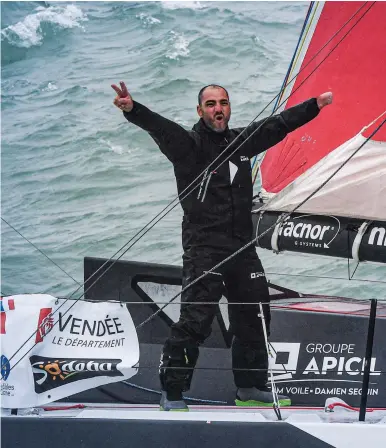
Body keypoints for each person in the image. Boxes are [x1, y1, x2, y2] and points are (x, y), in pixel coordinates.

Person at [111, 81, 333, 411]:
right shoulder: (188, 145)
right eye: (211, 104)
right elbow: (160, 128)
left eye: (224, 103)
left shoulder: (241, 142)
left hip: (242, 248)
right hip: (205, 249)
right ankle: (171, 392)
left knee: (255, 317)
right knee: (195, 321)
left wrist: (314, 105)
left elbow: (276, 126)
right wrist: (133, 109)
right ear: (200, 111)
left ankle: (249, 388)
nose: (219, 109)